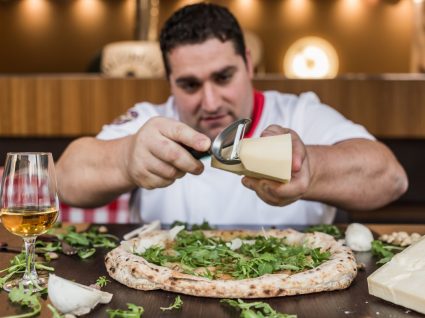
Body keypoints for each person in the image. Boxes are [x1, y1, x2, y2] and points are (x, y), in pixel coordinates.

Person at [56, 3, 408, 225]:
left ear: (249, 65)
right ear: (169, 81)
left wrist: (312, 169)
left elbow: (391, 178)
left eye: (223, 78)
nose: (210, 102)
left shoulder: (300, 113)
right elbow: (65, 179)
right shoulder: (151, 121)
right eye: (190, 85)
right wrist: (125, 158)